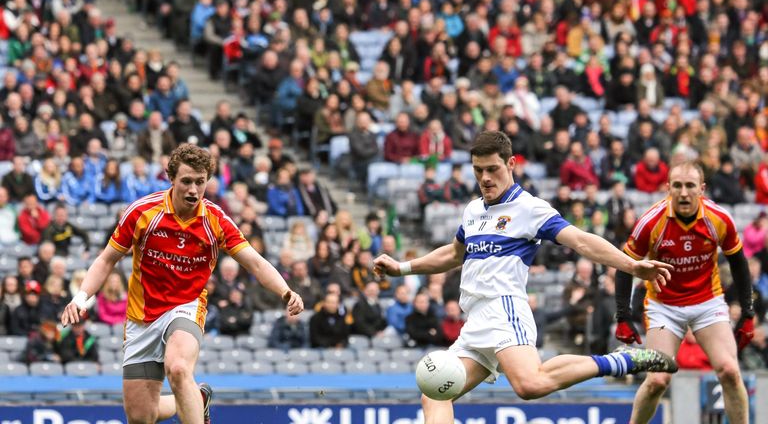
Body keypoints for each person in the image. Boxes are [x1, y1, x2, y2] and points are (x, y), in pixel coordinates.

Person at [373, 131, 677, 423]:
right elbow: (454, 254)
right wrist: (402, 268)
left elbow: (580, 240)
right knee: (436, 394)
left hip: (504, 309)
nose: (485, 178)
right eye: (478, 171)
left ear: (511, 164)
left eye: (492, 169)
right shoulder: (473, 211)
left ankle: (623, 361)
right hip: (475, 318)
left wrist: (632, 266)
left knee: (530, 384)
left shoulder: (529, 208)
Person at [61, 144, 304, 424]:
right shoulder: (143, 213)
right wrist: (80, 299)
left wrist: (285, 291)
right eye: (186, 181)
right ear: (172, 179)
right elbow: (106, 260)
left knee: (178, 368)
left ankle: (189, 397)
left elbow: (255, 262)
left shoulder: (216, 221)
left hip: (186, 306)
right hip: (142, 316)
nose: (193, 189)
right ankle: (195, 399)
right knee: (142, 416)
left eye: (200, 182)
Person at [614, 161, 754, 424]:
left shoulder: (719, 219)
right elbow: (625, 265)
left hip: (707, 302)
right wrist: (623, 315)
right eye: (677, 185)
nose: (683, 192)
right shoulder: (651, 222)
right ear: (668, 188)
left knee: (730, 372)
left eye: (690, 186)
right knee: (657, 380)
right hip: (664, 305)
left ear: (702, 189)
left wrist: (747, 311)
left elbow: (739, 263)